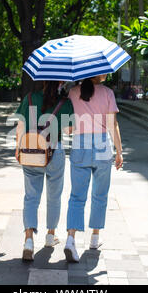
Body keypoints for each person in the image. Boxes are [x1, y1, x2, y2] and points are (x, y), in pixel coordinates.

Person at [64, 74, 123, 263]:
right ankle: (95, 237)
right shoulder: (107, 93)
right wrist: (120, 152)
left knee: (76, 195)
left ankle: (71, 238)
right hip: (102, 145)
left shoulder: (73, 92)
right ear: (99, 73)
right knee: (100, 193)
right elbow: (113, 125)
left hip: (80, 144)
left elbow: (68, 128)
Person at [15, 81, 75, 261]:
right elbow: (69, 130)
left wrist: (18, 149)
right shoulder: (65, 102)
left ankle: (28, 240)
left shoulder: (30, 98)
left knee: (31, 197)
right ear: (61, 83)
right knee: (54, 196)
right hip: (54, 152)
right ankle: (50, 235)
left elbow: (19, 126)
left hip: (30, 151)